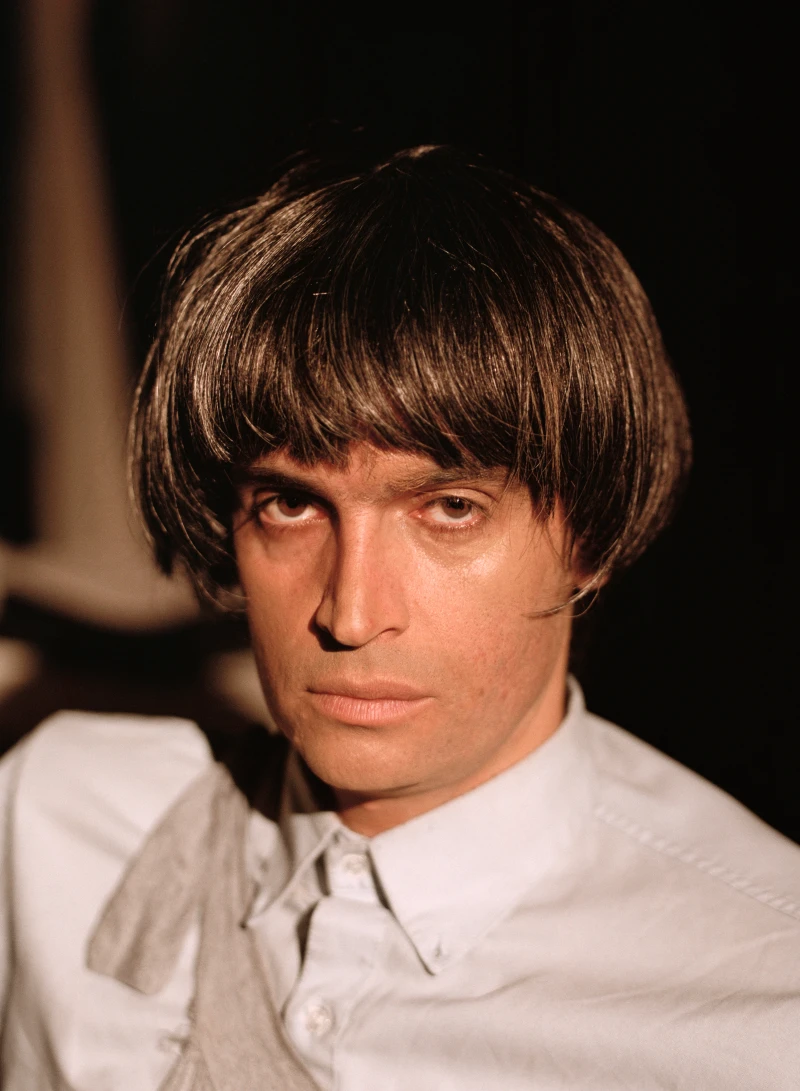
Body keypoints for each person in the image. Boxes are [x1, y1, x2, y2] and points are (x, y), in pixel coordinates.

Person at [1, 146, 797, 1091]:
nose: (350, 612)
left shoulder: (759, 1006)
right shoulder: (59, 824)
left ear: (591, 536)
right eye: (291, 504)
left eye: (450, 508)